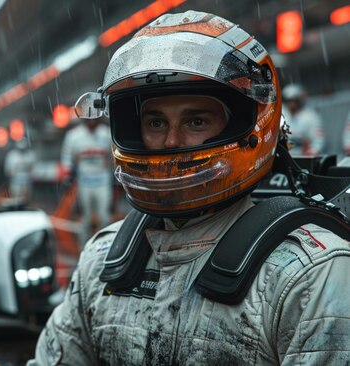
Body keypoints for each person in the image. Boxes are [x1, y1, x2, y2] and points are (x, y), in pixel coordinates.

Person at [30, 10, 350, 365]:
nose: (171, 141)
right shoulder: (103, 259)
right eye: (155, 122)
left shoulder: (307, 277)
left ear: (251, 123)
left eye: (196, 121)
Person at [60, 117, 112, 247]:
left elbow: (114, 155)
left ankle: (105, 247)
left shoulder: (107, 133)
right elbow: (66, 156)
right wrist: (68, 174)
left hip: (103, 181)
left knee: (104, 217)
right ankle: (83, 248)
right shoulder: (74, 135)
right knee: (85, 218)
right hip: (84, 182)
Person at [281, 83, 324, 156]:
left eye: (294, 100)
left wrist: (313, 150)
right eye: (289, 100)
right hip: (285, 155)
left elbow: (319, 138)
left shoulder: (310, 116)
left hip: (305, 155)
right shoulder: (282, 115)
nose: (292, 103)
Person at [4, 138, 37, 202]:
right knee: (15, 195)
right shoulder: (12, 155)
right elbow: (8, 169)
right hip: (16, 180)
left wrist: (32, 175)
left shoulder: (30, 155)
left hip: (27, 180)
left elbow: (34, 168)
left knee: (26, 196)